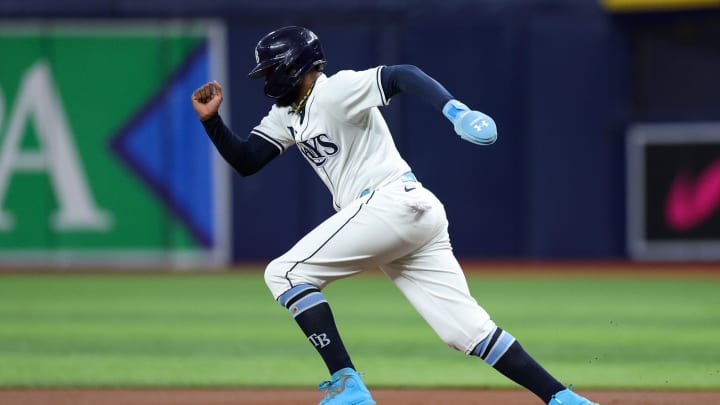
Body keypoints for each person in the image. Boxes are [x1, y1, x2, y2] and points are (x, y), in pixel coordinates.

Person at [191, 26, 599, 405]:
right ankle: (563, 399)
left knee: (285, 273)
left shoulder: (334, 91)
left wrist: (455, 111)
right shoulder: (287, 114)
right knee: (465, 332)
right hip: (408, 214)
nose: (266, 81)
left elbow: (402, 74)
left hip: (389, 202)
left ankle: (347, 384)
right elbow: (247, 160)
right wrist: (212, 122)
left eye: (270, 71)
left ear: (294, 65)